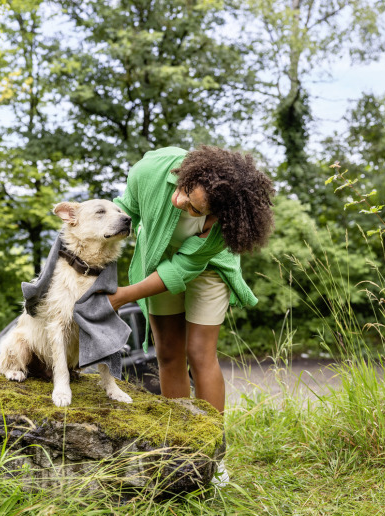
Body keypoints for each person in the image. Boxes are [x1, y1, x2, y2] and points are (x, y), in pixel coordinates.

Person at [108, 146, 275, 413]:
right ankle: (178, 443)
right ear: (189, 175)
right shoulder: (149, 171)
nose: (179, 202)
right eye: (185, 191)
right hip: (158, 260)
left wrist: (123, 295)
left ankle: (209, 447)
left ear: (219, 216)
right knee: (168, 352)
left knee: (199, 352)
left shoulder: (223, 229)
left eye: (194, 210)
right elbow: (124, 211)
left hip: (210, 269)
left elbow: (180, 269)